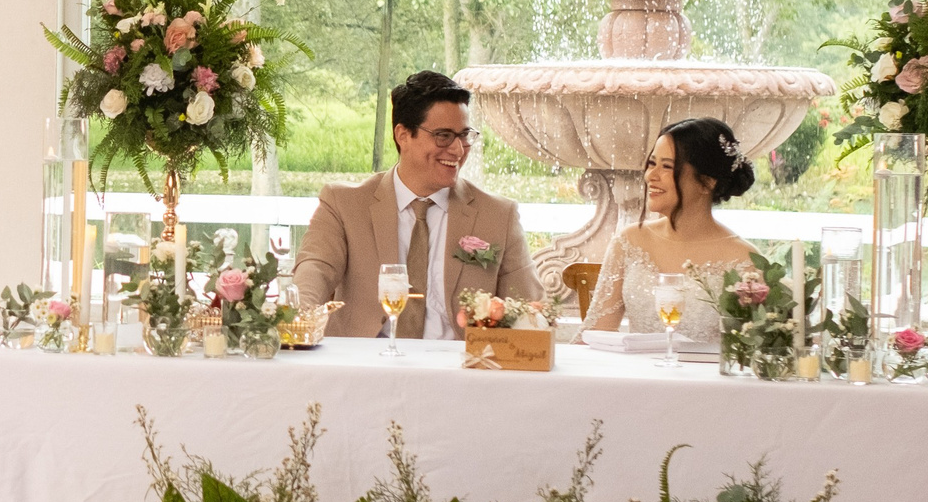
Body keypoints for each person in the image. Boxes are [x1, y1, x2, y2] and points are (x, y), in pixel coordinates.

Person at [291, 71, 542, 339]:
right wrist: (296, 320)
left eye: (464, 135)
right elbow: (314, 271)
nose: (458, 150)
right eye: (443, 136)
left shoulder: (498, 215)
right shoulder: (344, 204)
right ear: (403, 135)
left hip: (463, 369)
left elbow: (529, 309)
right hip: (367, 367)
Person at [580, 116, 759, 342]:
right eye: (652, 163)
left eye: (667, 167)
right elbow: (596, 332)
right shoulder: (629, 241)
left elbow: (754, 349)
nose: (651, 176)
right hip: (634, 376)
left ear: (707, 181)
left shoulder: (745, 259)